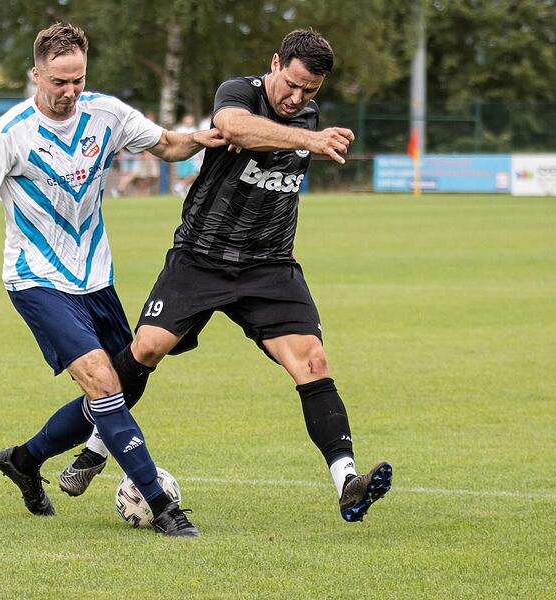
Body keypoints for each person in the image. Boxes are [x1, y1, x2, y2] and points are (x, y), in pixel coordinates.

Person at [63, 29, 393, 524]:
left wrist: (307, 136)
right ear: (275, 62)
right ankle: (95, 447)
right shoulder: (239, 94)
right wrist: (310, 137)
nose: (298, 98)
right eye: (293, 84)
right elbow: (236, 128)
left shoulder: (306, 114)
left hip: (269, 265)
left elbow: (281, 187)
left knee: (313, 361)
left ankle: (348, 482)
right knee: (147, 348)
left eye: (311, 92)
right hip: (201, 257)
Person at [0, 22, 225, 536]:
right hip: (36, 279)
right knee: (102, 379)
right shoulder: (9, 134)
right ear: (36, 74)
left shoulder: (107, 113)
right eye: (58, 81)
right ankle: (162, 505)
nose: (69, 91)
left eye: (77, 79)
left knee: (126, 381)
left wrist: (204, 139)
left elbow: (166, 145)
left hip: (95, 279)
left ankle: (25, 460)